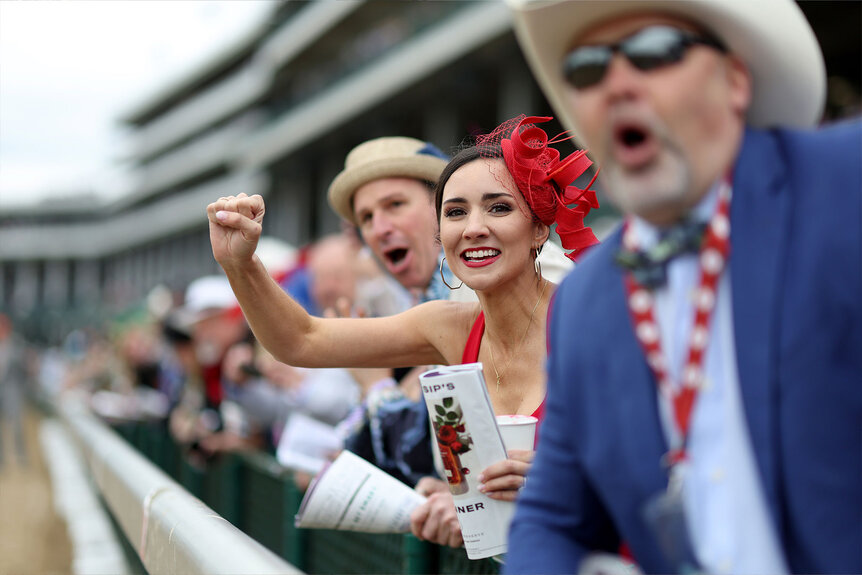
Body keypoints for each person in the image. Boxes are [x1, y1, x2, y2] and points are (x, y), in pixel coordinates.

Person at [504, 1, 862, 573]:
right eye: (587, 70)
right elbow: (552, 519)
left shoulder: (848, 184)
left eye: (653, 52)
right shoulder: (584, 303)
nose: (616, 85)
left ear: (735, 80)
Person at [207, 114, 600, 543]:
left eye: (499, 207)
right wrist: (240, 264)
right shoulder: (445, 325)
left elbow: (658, 455)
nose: (473, 228)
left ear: (540, 226)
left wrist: (559, 479)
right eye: (455, 213)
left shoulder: (588, 315)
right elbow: (301, 340)